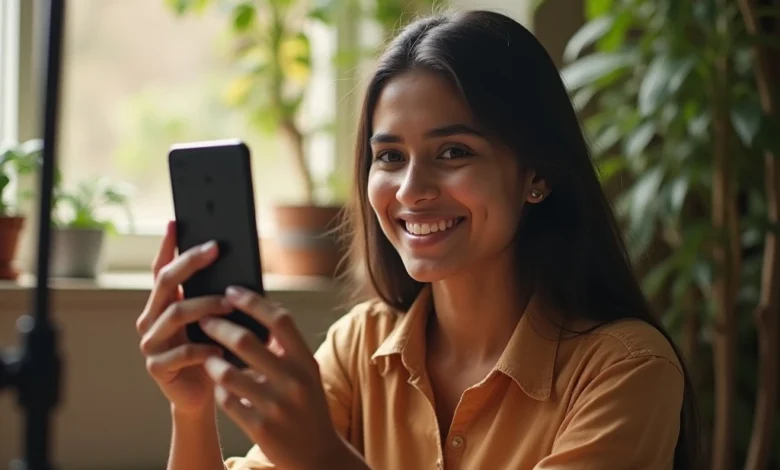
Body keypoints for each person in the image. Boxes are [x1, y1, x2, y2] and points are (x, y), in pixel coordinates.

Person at [136, 9, 700, 470]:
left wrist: (325, 460)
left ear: (537, 175)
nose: (411, 189)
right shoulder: (361, 346)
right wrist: (191, 413)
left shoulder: (626, 369)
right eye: (389, 157)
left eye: (453, 152)